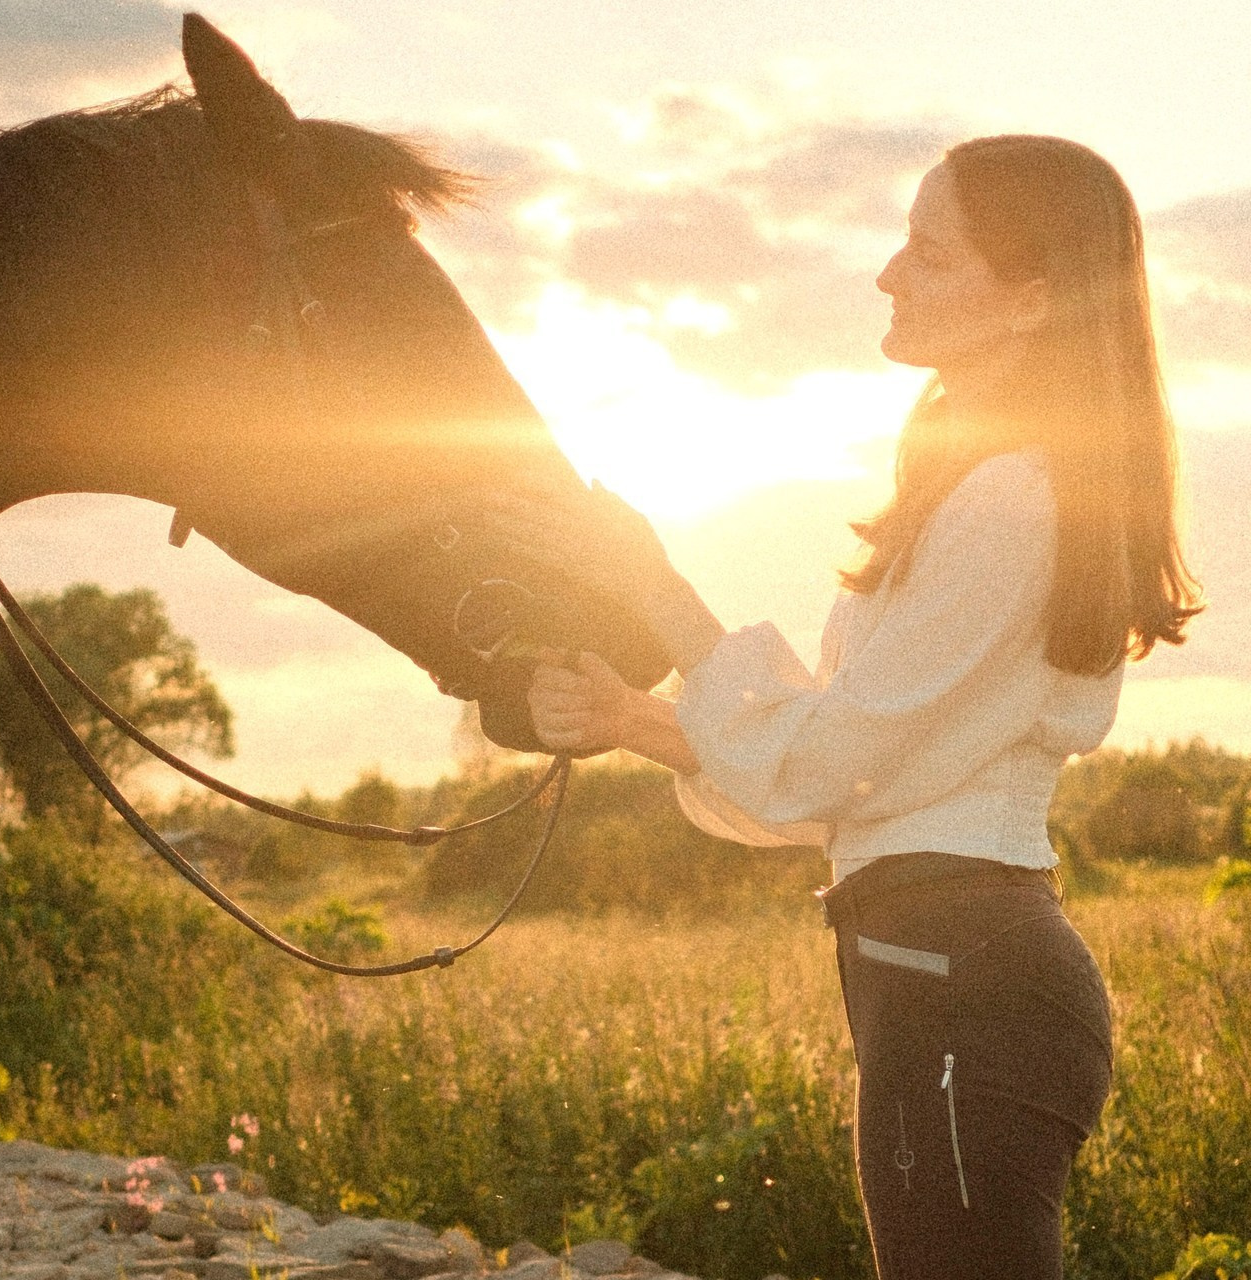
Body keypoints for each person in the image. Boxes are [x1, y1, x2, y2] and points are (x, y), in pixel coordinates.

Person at [494, 135, 1202, 1279]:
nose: (886, 272)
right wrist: (635, 719)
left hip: (963, 978)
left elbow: (825, 768)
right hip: (935, 966)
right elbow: (853, 790)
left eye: (929, 252)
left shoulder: (1014, 499)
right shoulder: (982, 487)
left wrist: (656, 590)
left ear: (1031, 299)